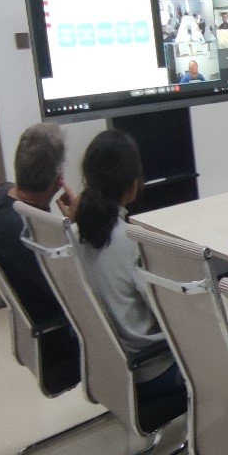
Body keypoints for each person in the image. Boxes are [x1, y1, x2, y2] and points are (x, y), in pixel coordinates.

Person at [73, 129, 187, 416]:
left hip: (109, 368)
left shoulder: (74, 236)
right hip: (152, 370)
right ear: (133, 184)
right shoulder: (132, 243)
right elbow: (173, 315)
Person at [0, 123, 79, 386]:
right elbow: (83, 293)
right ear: (59, 180)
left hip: (32, 337)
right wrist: (78, 224)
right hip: (62, 343)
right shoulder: (39, 235)